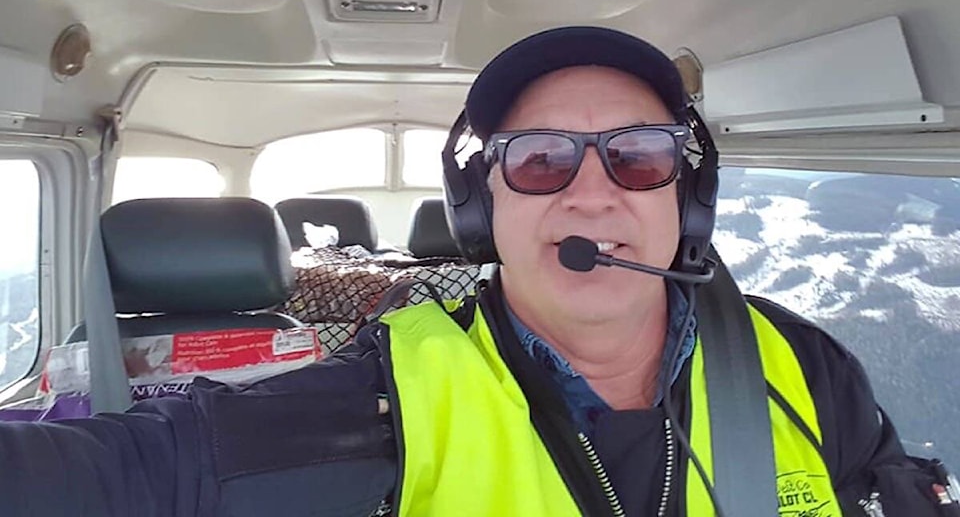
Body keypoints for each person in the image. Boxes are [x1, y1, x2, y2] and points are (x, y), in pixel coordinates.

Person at [0, 26, 949, 517]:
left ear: (684, 199)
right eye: (540, 160)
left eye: (639, 156)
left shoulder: (802, 364)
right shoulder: (384, 395)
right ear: (482, 207)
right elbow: (134, 473)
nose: (591, 196)